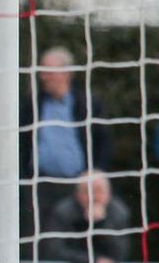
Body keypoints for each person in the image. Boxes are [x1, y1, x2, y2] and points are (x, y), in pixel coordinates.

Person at [21, 47, 110, 242]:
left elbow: (103, 140)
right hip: (39, 183)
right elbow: (22, 143)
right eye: (42, 71)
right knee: (35, 237)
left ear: (66, 73)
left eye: (49, 71)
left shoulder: (87, 102)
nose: (44, 76)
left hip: (77, 184)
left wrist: (96, 172)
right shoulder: (32, 103)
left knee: (72, 238)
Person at [39, 170, 129, 263]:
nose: (94, 197)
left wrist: (101, 224)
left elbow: (120, 253)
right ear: (77, 194)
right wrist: (93, 262)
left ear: (108, 194)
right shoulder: (62, 212)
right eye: (88, 191)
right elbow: (53, 251)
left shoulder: (119, 212)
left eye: (99, 191)